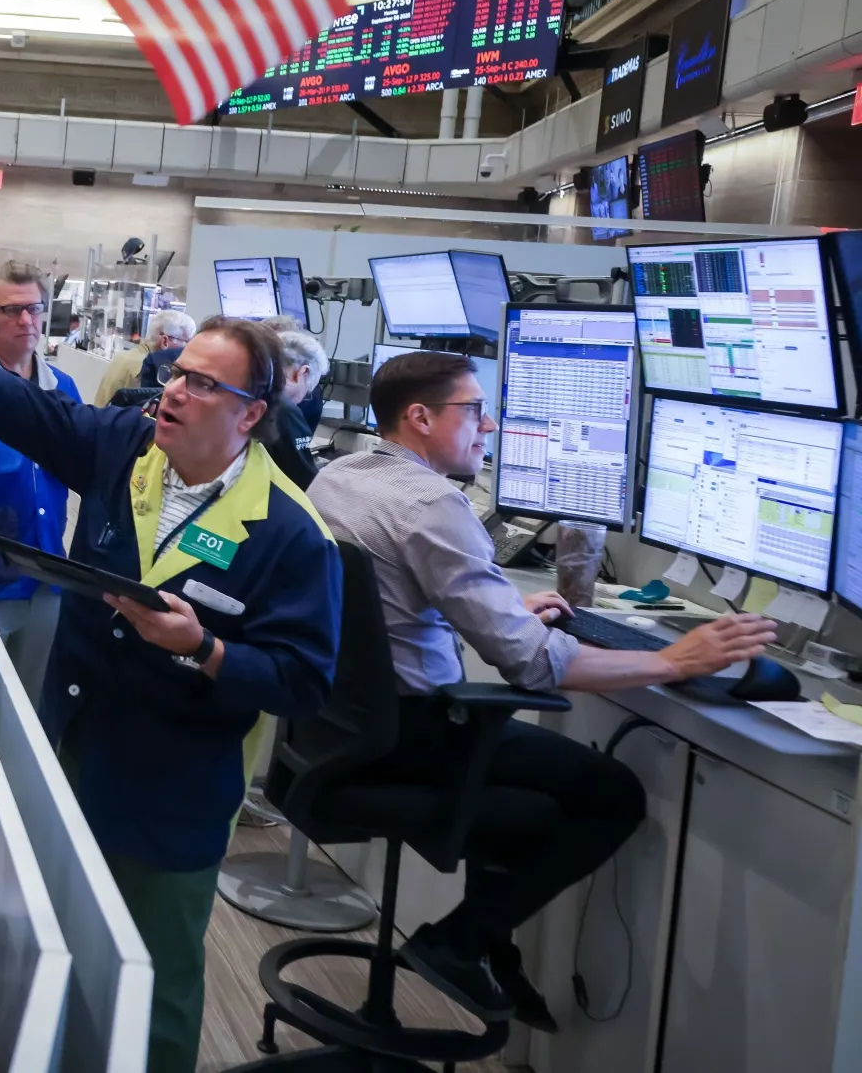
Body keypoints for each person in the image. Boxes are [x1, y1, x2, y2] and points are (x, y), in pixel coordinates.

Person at [310, 351, 779, 1029]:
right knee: (611, 796)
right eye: (473, 411)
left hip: (344, 727)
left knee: (535, 795)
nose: (490, 426)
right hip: (414, 732)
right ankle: (459, 941)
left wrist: (496, 611)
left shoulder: (343, 475)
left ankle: (484, 942)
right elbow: (534, 668)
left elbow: (386, 603)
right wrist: (676, 660)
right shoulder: (433, 503)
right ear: (419, 417)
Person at [0, 314, 341, 1073]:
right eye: (177, 373)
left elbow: (303, 681)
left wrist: (205, 648)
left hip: (175, 786)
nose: (174, 392)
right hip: (74, 743)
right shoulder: (128, 449)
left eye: (204, 384)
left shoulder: (292, 535)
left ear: (252, 413)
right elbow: (19, 407)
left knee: (155, 977)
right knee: (62, 935)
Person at [0, 261, 81, 700]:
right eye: (11, 310)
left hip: (48, 575)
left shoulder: (61, 387)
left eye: (35, 309)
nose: (26, 321)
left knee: (33, 707)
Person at [263, 324, 329, 491]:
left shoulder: (251, 391)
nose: (309, 393)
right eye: (310, 387)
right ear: (302, 372)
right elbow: (304, 480)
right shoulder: (284, 410)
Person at [93, 310, 195, 406]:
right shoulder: (145, 370)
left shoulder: (125, 357)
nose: (186, 350)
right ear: (165, 341)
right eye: (186, 343)